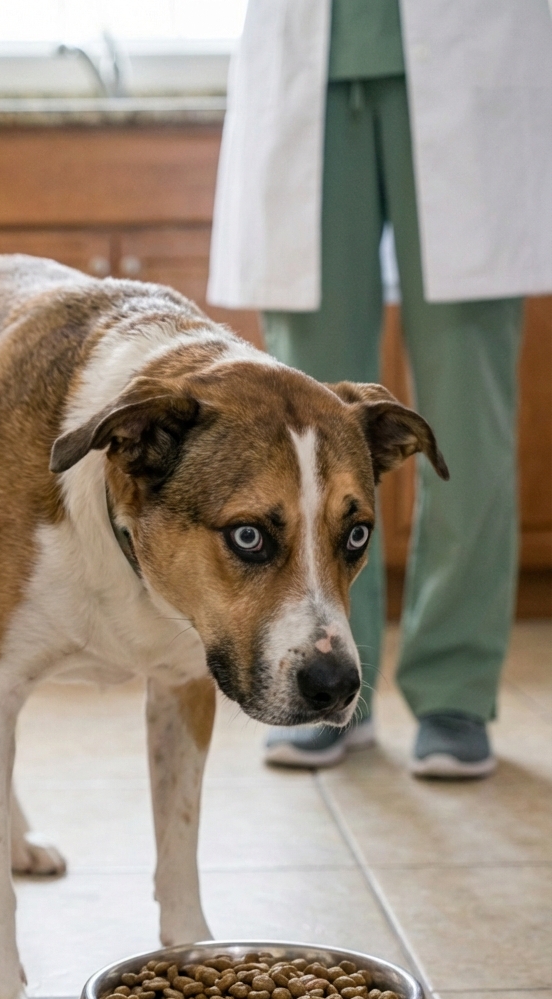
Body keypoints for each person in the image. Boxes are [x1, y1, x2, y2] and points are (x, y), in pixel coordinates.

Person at [208, 0, 552, 778]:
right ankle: (326, 686)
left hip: (476, 55)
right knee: (301, 429)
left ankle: (455, 689)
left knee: (468, 415)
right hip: (311, 65)